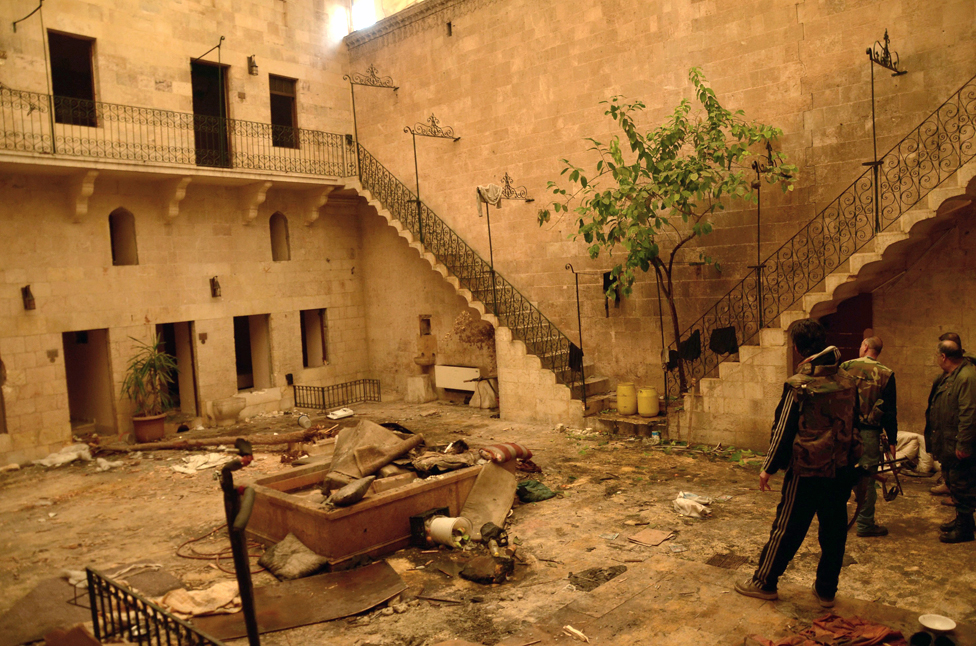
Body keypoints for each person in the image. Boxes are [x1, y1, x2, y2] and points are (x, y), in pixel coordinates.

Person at [734, 319, 860, 608]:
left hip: (806, 471)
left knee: (787, 528)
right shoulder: (848, 381)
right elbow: (857, 421)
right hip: (840, 470)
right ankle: (826, 591)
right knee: (834, 531)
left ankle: (764, 582)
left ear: (797, 348)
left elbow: (783, 429)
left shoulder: (799, 385)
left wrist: (768, 467)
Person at [841, 336, 897, 538]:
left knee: (841, 473)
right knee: (867, 478)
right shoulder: (886, 374)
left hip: (843, 431)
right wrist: (892, 440)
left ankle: (836, 520)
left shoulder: (845, 366)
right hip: (869, 433)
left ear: (864, 346)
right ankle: (865, 524)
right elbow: (890, 411)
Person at [924, 337, 976, 543]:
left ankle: (964, 530)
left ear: (944, 357)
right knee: (954, 481)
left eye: (938, 355)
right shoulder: (952, 375)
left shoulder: (967, 377)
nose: (937, 359)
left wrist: (963, 444)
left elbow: (969, 412)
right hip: (948, 440)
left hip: (958, 442)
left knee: (962, 484)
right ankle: (964, 521)